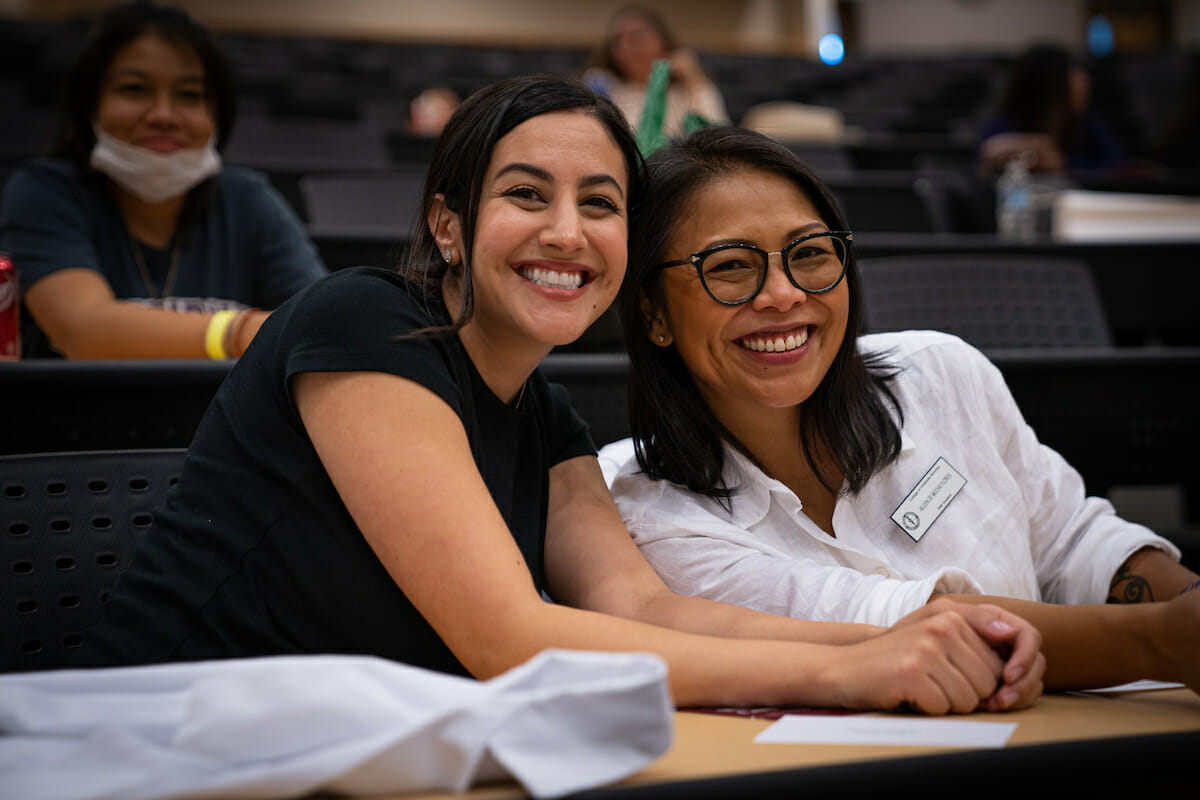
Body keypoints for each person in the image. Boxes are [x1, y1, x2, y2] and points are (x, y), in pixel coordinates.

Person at [74, 74, 1045, 716]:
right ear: (448, 225)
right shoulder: (356, 324)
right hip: (164, 735)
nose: (568, 232)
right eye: (527, 195)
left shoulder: (545, 416)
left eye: (602, 203)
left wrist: (907, 630)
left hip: (336, 750)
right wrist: (848, 670)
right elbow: (509, 637)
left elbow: (648, 610)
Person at [599, 125, 1200, 693]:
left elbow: (1072, 540)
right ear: (653, 313)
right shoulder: (644, 516)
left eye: (809, 254)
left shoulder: (940, 372)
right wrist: (1161, 642)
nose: (783, 295)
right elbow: (912, 631)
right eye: (729, 266)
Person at [0, 1, 326, 359]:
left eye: (189, 95)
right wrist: (240, 331)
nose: (163, 115)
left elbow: (325, 324)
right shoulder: (43, 193)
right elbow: (82, 332)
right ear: (91, 105)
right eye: (134, 89)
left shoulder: (249, 198)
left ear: (217, 114)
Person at [582, 5, 728, 141]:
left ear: (662, 42)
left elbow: (719, 137)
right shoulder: (607, 89)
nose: (626, 46)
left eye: (637, 37)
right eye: (618, 40)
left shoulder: (684, 93)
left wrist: (694, 80)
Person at [977, 43, 1125, 175]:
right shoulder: (1007, 121)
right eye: (1074, 73)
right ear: (1048, 83)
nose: (1084, 80)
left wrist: (1062, 164)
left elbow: (1116, 167)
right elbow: (983, 163)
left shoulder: (1086, 122)